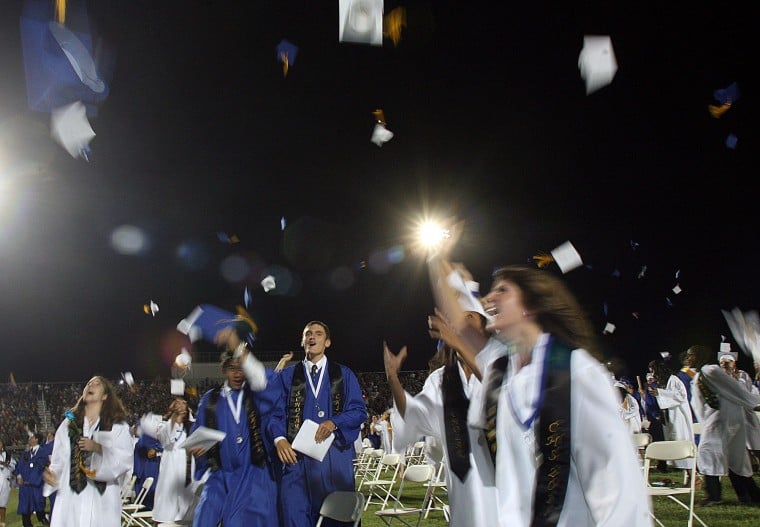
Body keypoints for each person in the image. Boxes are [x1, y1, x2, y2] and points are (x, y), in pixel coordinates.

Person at [428, 252, 651, 526]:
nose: (489, 299)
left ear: (529, 307)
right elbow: (460, 325)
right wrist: (436, 258)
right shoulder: (502, 372)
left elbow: (615, 478)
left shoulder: (577, 372)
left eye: (502, 290)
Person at [384, 308, 499, 527]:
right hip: (463, 485)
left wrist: (459, 345)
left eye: (470, 318)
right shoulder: (440, 380)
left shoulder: (501, 363)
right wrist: (393, 380)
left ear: (484, 330)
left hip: (501, 479)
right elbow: (414, 415)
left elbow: (499, 394)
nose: (460, 324)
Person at [269, 320, 367, 527]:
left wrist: (335, 422)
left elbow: (359, 411)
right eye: (308, 334)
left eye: (318, 333)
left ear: (328, 342)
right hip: (296, 462)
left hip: (334, 460)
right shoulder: (287, 377)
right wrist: (279, 440)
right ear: (302, 341)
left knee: (337, 520)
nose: (312, 337)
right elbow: (274, 414)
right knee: (294, 517)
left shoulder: (344, 375)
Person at [188, 320, 279, 527]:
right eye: (232, 369)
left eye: (240, 369)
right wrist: (196, 449)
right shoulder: (210, 400)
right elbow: (199, 434)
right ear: (223, 369)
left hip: (252, 472)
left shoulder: (255, 393)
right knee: (203, 519)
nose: (237, 374)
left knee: (240, 522)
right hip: (220, 472)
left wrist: (237, 345)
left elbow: (262, 379)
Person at [42, 375, 134, 527]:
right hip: (71, 500)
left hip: (102, 500)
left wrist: (98, 448)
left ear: (105, 396)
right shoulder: (68, 425)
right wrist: (52, 475)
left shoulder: (117, 426)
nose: (91, 385)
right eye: (88, 384)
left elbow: (124, 460)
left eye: (97, 384)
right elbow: (59, 460)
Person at [691, 345, 760, 506]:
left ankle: (714, 496)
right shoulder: (703, 372)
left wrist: (753, 403)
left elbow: (734, 388)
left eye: (691, 354)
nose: (688, 358)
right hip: (723, 418)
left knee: (708, 452)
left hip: (721, 419)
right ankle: (750, 495)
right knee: (736, 458)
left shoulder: (711, 370)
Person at [139, 397, 199, 524]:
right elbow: (165, 438)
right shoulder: (164, 426)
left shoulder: (192, 427)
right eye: (178, 403)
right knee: (169, 515)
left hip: (188, 473)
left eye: (184, 403)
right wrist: (172, 417)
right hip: (170, 473)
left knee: (188, 515)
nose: (181, 406)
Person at [647, 360, 695, 481]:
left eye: (653, 371)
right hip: (669, 418)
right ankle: (689, 476)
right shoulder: (663, 383)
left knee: (681, 444)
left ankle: (693, 476)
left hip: (679, 417)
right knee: (674, 444)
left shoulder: (674, 380)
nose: (653, 374)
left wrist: (660, 392)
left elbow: (681, 396)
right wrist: (657, 393)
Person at [16, 432, 48, 527]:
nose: (29, 439)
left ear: (36, 439)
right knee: (25, 506)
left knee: (39, 504)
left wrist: (31, 480)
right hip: (25, 486)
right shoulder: (26, 453)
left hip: (35, 485)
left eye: (32, 437)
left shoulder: (42, 453)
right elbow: (19, 466)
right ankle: (27, 524)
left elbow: (40, 467)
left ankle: (43, 519)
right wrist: (19, 476)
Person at [0, 438, 17, 527]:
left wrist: (7, 465)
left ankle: (2, 521)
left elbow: (13, 466)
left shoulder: (8, 455)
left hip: (5, 481)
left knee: (3, 503)